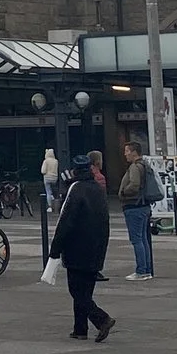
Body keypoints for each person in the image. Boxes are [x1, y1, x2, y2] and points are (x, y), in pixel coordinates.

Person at [52, 150, 115, 341]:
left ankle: (102, 319)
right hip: (97, 247)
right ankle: (80, 329)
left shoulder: (76, 190)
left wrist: (55, 248)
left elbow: (66, 221)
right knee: (85, 289)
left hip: (77, 248)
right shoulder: (97, 188)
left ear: (74, 171)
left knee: (76, 291)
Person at [118, 137, 161, 281]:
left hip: (134, 206)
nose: (125, 154)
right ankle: (147, 269)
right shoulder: (144, 165)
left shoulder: (135, 167)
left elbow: (134, 185)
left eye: (127, 151)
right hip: (144, 206)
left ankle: (141, 270)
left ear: (134, 152)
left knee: (136, 240)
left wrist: (124, 192)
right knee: (143, 239)